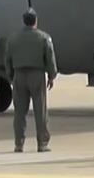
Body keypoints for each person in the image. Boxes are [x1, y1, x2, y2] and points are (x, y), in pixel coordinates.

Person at [5, 8, 58, 153]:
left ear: (24, 21)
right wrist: (52, 76)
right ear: (35, 21)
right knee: (40, 111)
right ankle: (42, 143)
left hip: (19, 75)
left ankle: (19, 143)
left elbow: (7, 59)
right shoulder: (43, 37)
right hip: (37, 75)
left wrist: (11, 77)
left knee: (19, 112)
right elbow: (50, 58)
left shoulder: (13, 38)